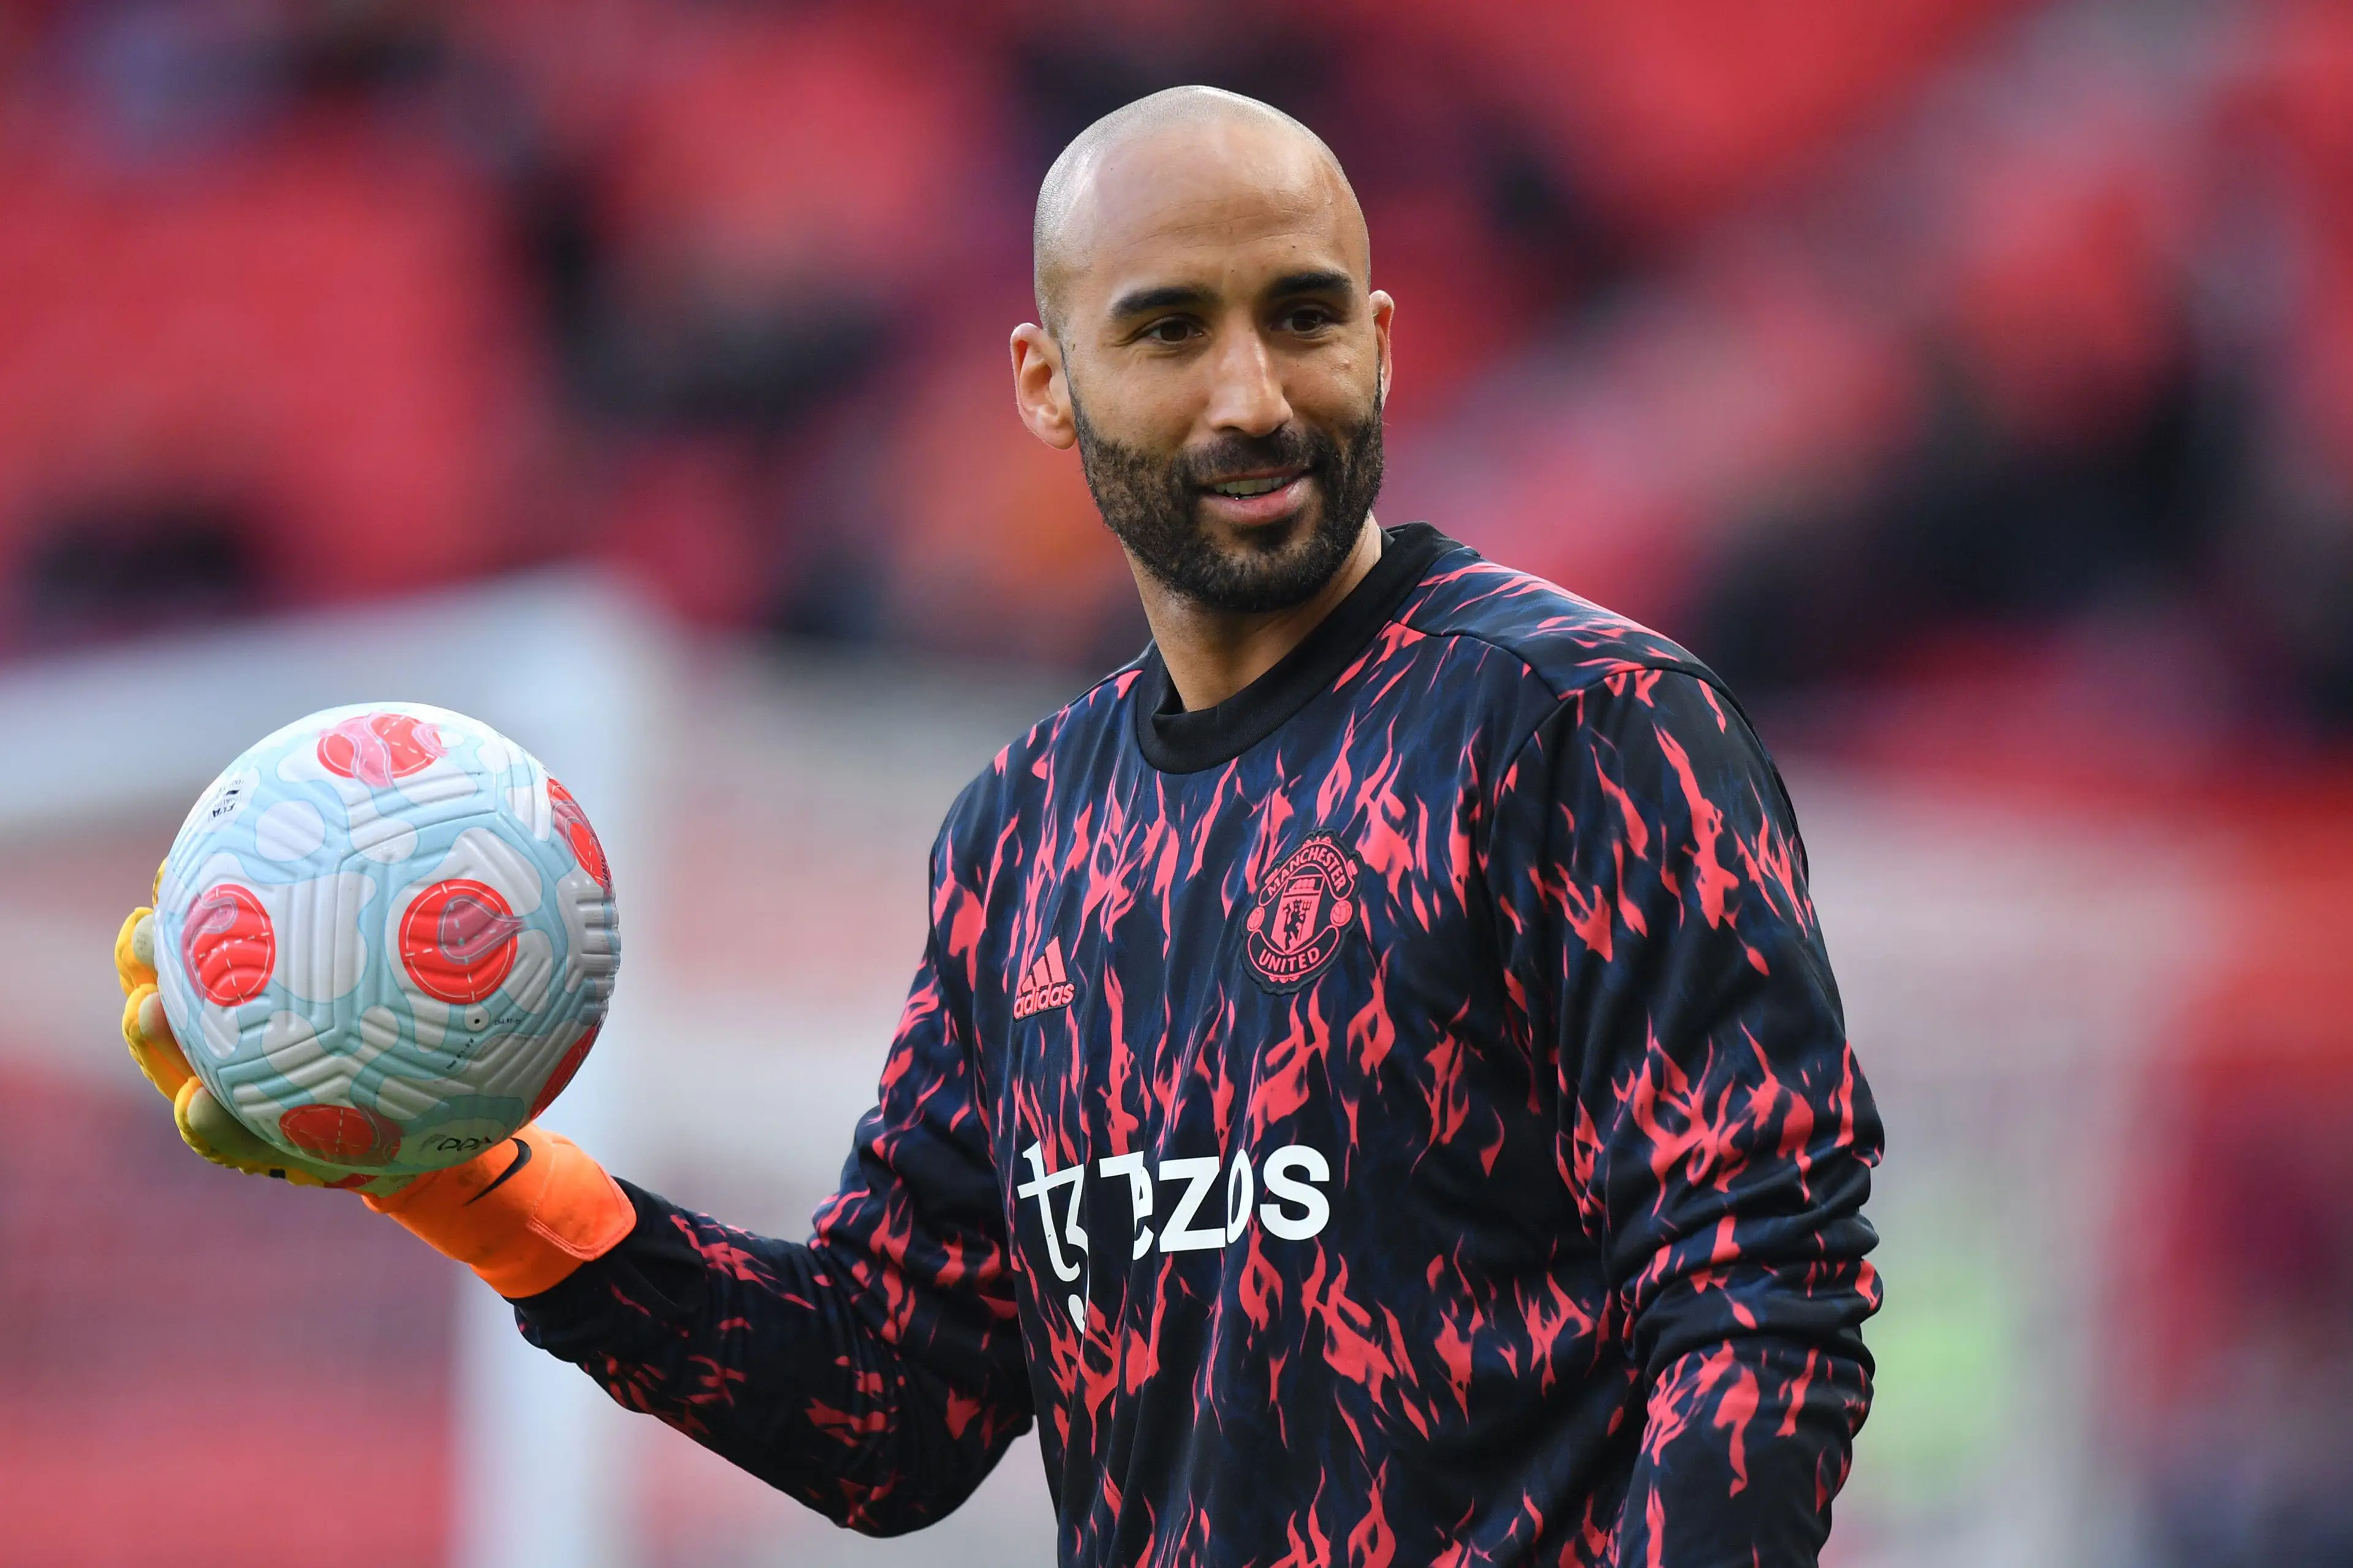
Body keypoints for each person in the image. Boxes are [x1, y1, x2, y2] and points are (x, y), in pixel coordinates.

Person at [113, 86, 1882, 1565]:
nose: (1253, 393)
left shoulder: (1579, 726)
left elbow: (1762, 1301)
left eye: (1305, 314)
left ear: (1386, 339)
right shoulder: (1026, 832)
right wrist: (469, 1186)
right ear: (1045, 384)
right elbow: (895, 1404)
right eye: (1170, 328)